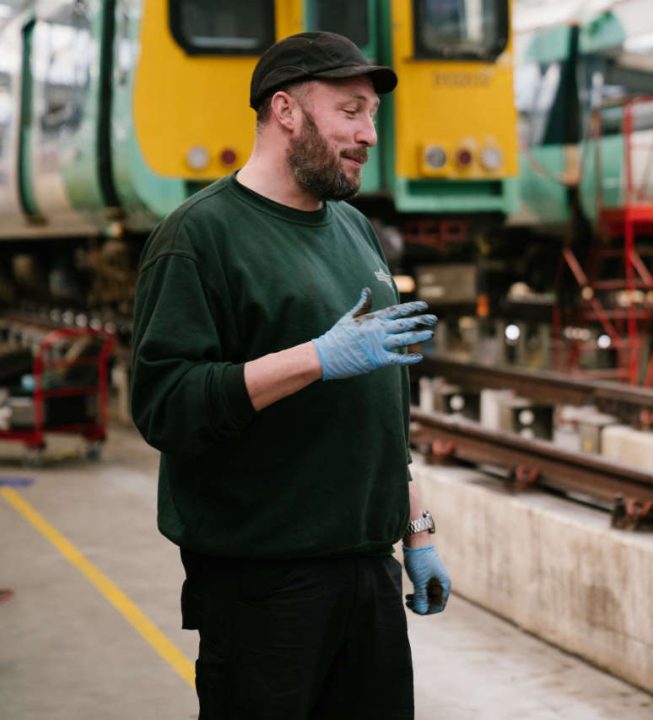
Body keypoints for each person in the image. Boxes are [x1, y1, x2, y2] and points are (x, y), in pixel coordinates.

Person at [130, 32, 450, 719]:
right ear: (286, 111)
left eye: (372, 117)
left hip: (369, 571)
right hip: (263, 586)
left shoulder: (355, 231)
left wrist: (416, 529)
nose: (369, 135)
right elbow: (165, 405)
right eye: (351, 111)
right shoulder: (198, 236)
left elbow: (382, 410)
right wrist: (315, 358)